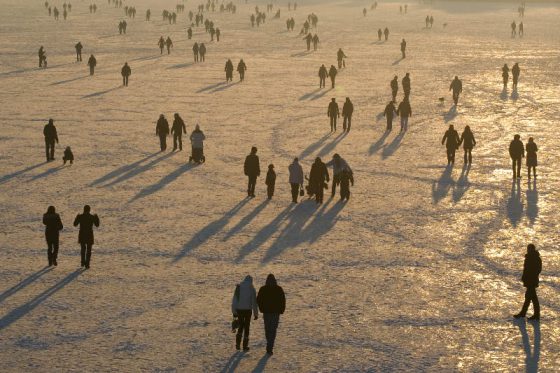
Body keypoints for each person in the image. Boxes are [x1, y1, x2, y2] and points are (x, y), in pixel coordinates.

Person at [257, 274, 286, 355]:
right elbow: (282, 300)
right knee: (273, 330)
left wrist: (261, 309)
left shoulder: (263, 289)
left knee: (267, 329)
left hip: (266, 313)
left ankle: (269, 344)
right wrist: (281, 310)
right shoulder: (279, 289)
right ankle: (270, 346)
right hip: (275, 313)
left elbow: (258, 300)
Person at [514, 244, 541, 321]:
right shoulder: (531, 257)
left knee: (532, 298)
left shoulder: (534, 258)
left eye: (528, 248)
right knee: (529, 298)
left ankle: (531, 314)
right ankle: (527, 313)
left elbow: (536, 270)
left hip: (531, 281)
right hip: (530, 281)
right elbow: (526, 270)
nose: (527, 250)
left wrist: (529, 278)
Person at [232, 275, 259, 351]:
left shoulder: (239, 287)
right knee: (247, 327)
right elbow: (254, 302)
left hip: (239, 310)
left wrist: (234, 311)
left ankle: (237, 344)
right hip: (248, 311)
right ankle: (245, 346)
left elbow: (234, 301)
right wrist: (256, 314)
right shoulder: (251, 288)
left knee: (240, 326)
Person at [73, 205, 100, 269]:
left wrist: (77, 217)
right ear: (89, 210)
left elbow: (75, 224)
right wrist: (97, 217)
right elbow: (97, 225)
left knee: (83, 249)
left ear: (84, 209)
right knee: (89, 250)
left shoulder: (80, 216)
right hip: (89, 235)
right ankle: (87, 264)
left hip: (82, 234)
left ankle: (82, 262)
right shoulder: (92, 217)